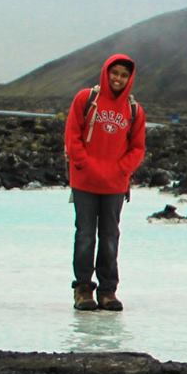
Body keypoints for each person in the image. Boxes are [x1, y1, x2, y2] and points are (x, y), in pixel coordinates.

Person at [64, 53, 146, 312]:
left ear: (129, 78)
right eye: (115, 73)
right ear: (106, 72)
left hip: (114, 185)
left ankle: (108, 291)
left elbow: (137, 147)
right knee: (85, 235)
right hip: (85, 182)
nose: (118, 78)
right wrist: (86, 165)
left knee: (110, 236)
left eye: (124, 75)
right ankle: (83, 289)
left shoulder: (134, 110)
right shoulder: (85, 99)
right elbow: (72, 136)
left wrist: (121, 170)